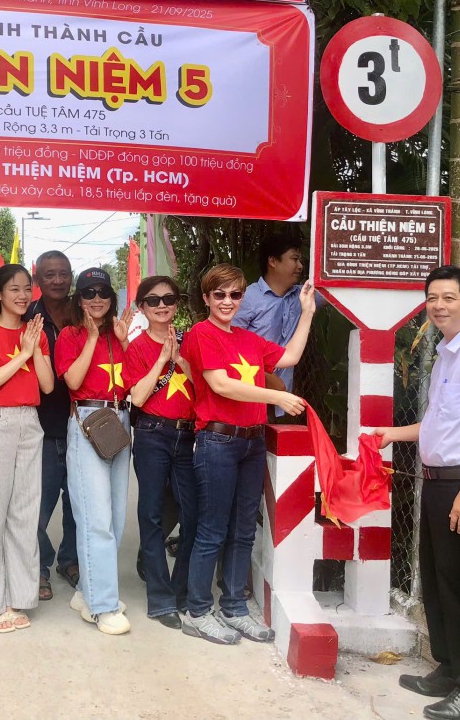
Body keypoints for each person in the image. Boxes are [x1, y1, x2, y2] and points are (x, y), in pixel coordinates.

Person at [373, 265, 460, 720]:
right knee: (436, 580)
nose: (438, 305)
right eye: (432, 298)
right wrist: (392, 434)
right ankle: (450, 669)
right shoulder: (447, 355)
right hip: (436, 483)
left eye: (449, 298)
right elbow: (437, 425)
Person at [180, 264, 316, 645]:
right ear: (206, 298)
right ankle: (198, 611)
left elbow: (290, 357)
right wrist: (277, 397)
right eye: (219, 294)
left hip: (252, 443)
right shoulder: (201, 334)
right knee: (212, 530)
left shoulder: (249, 339)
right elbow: (221, 385)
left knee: (243, 531)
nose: (227, 301)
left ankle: (234, 608)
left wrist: (306, 312)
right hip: (217, 441)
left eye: (235, 294)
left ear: (243, 297)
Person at [0, 264, 56, 633]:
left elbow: (48, 386)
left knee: (24, 512)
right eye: (14, 289)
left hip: (30, 423)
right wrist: (23, 354)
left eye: (26, 288)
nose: (22, 295)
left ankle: (18, 596)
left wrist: (34, 350)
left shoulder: (36, 332)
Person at [55, 267, 134, 635]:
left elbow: (136, 380)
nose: (96, 298)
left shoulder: (118, 334)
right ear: (79, 298)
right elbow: (72, 380)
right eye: (88, 292)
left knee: (115, 517)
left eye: (103, 292)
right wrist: (89, 338)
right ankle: (103, 606)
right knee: (95, 517)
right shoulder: (70, 335)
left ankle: (88, 591)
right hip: (87, 419)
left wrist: (125, 342)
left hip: (119, 420)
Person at [124, 276, 197, 630]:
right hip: (152, 433)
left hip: (187, 435)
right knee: (151, 514)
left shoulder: (190, 341)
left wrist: (182, 361)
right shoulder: (137, 346)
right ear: (142, 307)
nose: (162, 305)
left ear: (177, 303)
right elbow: (137, 397)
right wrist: (163, 361)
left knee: (192, 513)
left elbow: (206, 388)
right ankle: (160, 597)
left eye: (169, 299)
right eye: (153, 301)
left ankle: (180, 589)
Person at [24, 251, 79, 601]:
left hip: (81, 426)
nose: (58, 280)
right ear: (37, 280)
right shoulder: (27, 317)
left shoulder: (84, 313)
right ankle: (39, 566)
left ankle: (70, 561)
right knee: (37, 507)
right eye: (49, 274)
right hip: (39, 426)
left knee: (78, 504)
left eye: (63, 273)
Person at [232, 233, 304, 419]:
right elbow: (229, 344)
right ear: (272, 261)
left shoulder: (303, 296)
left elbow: (334, 289)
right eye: (294, 259)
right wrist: (266, 378)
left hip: (283, 401)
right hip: (248, 395)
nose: (300, 266)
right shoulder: (247, 298)